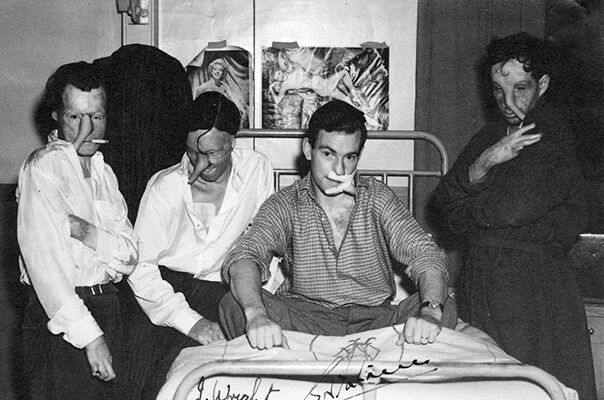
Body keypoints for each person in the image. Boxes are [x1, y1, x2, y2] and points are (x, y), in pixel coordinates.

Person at [430, 32, 596, 400]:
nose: (508, 102)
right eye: (498, 90)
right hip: (485, 279)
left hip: (532, 288)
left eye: (520, 89)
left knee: (535, 386)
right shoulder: (490, 134)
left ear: (543, 84)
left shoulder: (549, 133)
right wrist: (486, 160)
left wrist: (469, 202)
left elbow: (507, 210)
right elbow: (443, 205)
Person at [219, 99, 457, 350]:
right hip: (305, 321)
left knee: (441, 305)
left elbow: (426, 256)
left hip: (375, 323)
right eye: (328, 154)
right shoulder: (286, 203)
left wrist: (430, 313)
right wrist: (257, 316)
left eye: (349, 157)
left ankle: (302, 364)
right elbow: (246, 256)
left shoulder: (378, 197)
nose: (339, 169)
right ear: (308, 150)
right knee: (234, 304)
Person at [124, 91, 274, 399]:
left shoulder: (256, 171)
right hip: (160, 291)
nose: (199, 166)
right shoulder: (165, 187)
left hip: (223, 291)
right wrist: (193, 324)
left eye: (212, 154)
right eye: (193, 154)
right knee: (136, 383)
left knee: (201, 381)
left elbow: (266, 244)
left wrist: (266, 302)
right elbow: (141, 268)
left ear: (233, 141)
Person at [17, 62, 138, 399]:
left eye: (96, 117)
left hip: (108, 307)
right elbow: (47, 271)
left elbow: (129, 256)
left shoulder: (105, 172)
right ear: (56, 115)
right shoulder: (44, 168)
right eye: (75, 117)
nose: (86, 130)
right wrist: (91, 337)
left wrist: (85, 232)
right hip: (63, 321)